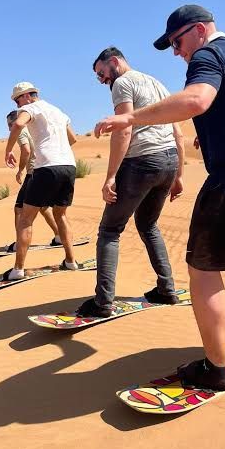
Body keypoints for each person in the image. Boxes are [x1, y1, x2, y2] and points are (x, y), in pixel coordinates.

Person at [94, 5, 225, 390]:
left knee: (203, 268)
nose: (176, 52)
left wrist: (130, 118)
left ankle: (216, 368)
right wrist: (212, 133)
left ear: (198, 30)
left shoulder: (208, 55)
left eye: (177, 43)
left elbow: (196, 99)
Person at [77, 47, 185, 319]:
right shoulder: (156, 83)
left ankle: (103, 302)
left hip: (142, 161)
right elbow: (177, 131)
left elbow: (124, 129)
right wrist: (179, 174)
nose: (101, 79)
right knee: (148, 224)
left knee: (110, 230)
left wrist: (110, 176)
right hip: (168, 160)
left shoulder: (123, 83)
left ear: (114, 61)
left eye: (101, 72)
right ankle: (167, 288)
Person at [4, 82, 79, 280]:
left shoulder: (31, 108)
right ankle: (71, 261)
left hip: (46, 167)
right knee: (61, 215)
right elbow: (73, 139)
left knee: (26, 218)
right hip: (69, 166)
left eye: (17, 101)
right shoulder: (58, 111)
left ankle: (18, 269)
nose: (18, 106)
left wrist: (8, 150)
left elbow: (18, 124)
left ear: (26, 96)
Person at [4, 110, 61, 252]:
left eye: (10, 124)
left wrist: (20, 170)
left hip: (33, 173)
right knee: (43, 207)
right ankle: (59, 236)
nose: (9, 128)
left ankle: (20, 243)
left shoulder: (21, 131)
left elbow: (26, 150)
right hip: (46, 170)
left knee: (19, 208)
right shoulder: (34, 129)